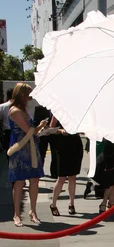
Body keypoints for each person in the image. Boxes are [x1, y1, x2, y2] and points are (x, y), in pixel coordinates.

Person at [7, 83, 47, 227]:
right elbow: (28, 130)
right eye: (28, 95)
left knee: (34, 180)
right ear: (21, 95)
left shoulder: (24, 110)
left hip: (30, 147)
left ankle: (33, 211)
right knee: (19, 182)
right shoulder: (15, 111)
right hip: (20, 149)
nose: (30, 98)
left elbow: (30, 131)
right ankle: (17, 214)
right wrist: (41, 126)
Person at [48, 116, 84, 216]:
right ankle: (53, 204)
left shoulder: (75, 112)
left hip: (75, 144)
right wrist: (60, 131)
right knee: (61, 178)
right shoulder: (57, 112)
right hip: (62, 145)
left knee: (73, 177)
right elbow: (51, 129)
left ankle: (71, 203)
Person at [0, 88, 13, 155]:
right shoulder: (20, 106)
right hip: (18, 131)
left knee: (8, 152)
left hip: (7, 132)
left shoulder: (2, 106)